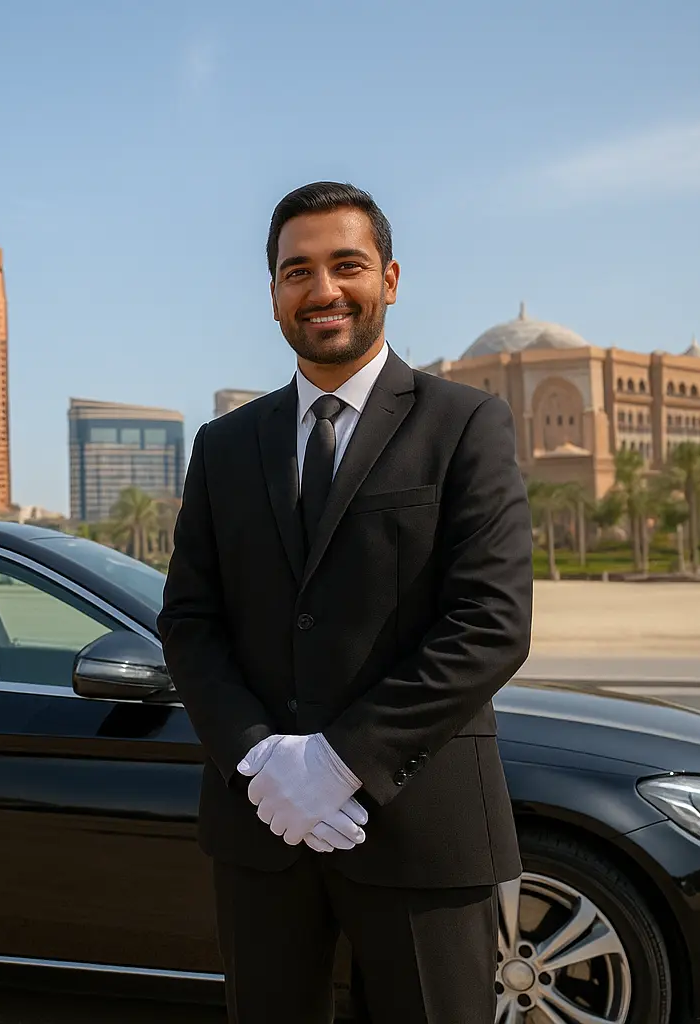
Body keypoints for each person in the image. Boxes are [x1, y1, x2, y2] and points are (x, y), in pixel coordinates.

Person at [158, 182, 533, 1023]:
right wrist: (258, 759)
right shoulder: (224, 446)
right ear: (274, 296)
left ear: (390, 280)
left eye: (346, 265)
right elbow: (189, 619)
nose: (322, 290)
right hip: (261, 827)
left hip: (421, 823)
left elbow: (492, 623)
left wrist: (339, 762)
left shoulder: (467, 424)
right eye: (298, 271)